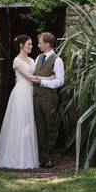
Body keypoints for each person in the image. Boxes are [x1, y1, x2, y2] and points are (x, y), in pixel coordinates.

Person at [0, 35, 41, 169]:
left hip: (31, 93)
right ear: (21, 46)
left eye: (31, 44)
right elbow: (29, 77)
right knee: (20, 122)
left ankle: (28, 157)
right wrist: (49, 78)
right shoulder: (17, 61)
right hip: (21, 93)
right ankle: (16, 158)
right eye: (29, 44)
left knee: (29, 123)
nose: (31, 46)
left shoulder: (32, 60)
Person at [31, 31, 64, 168]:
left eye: (40, 43)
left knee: (50, 127)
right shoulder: (38, 58)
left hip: (49, 98)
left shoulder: (57, 60)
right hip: (37, 98)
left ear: (47, 44)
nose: (38, 45)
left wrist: (43, 82)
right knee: (40, 128)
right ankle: (41, 157)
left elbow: (60, 81)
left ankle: (49, 157)